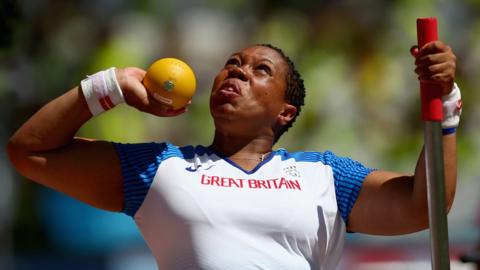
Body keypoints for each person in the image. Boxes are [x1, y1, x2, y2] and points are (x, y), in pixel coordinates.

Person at [7, 41, 460, 270]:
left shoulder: (325, 176)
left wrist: (445, 100)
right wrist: (110, 86)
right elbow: (30, 151)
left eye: (259, 70)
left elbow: (424, 205)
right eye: (233, 64)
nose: (237, 71)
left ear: (285, 111)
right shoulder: (157, 168)